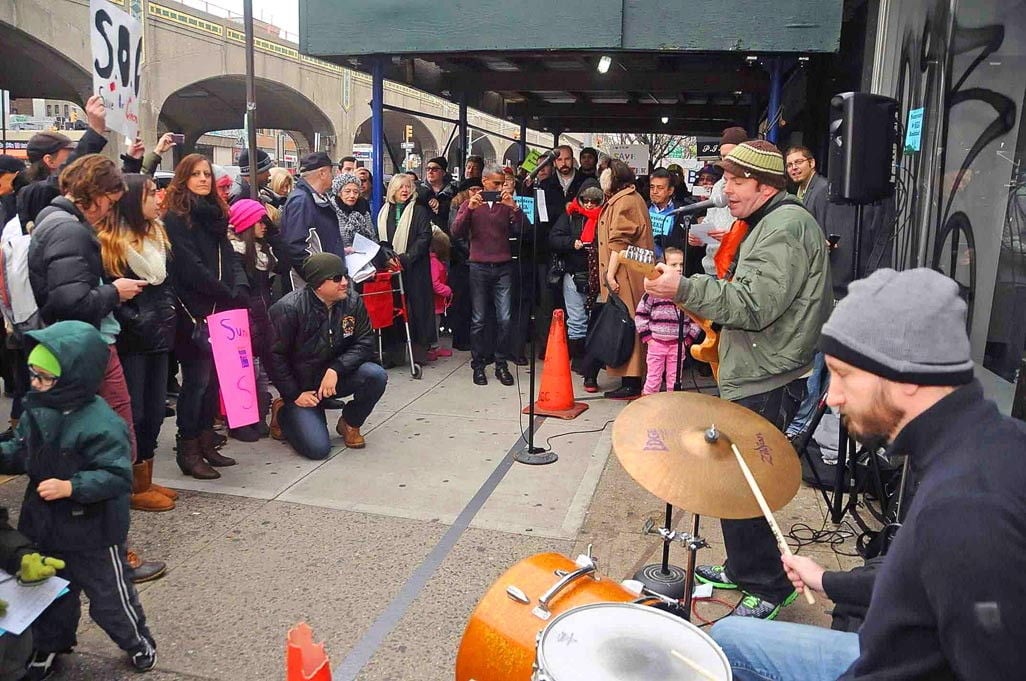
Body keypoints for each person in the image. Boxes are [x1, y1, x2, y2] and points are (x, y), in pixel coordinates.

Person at [710, 267, 1026, 680]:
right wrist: (827, 581)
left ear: (907, 377)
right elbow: (924, 584)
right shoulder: (993, 439)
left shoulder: (964, 512)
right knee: (730, 635)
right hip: (887, 646)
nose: (832, 396)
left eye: (843, 374)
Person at [644, 140, 832, 618]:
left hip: (768, 374)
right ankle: (746, 564)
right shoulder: (767, 222)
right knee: (734, 476)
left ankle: (769, 586)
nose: (726, 189)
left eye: (736, 180)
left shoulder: (785, 227)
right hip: (758, 365)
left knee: (745, 483)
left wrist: (683, 288)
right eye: (725, 179)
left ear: (768, 185)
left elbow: (754, 305)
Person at [1, 321, 156, 678]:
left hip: (94, 533)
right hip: (45, 525)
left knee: (110, 598)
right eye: (32, 375)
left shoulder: (102, 423)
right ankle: (49, 646)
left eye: (44, 377)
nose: (35, 384)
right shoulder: (36, 409)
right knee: (52, 596)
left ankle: (137, 641)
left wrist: (71, 486)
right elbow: (21, 450)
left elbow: (117, 475)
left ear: (73, 377)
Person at [163, 154, 249, 480]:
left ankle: (205, 439)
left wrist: (238, 285)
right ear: (184, 178)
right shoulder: (176, 217)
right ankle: (187, 447)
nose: (203, 179)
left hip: (220, 307)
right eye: (196, 174)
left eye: (207, 174)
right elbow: (188, 266)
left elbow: (227, 253)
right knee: (196, 381)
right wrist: (222, 290)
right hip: (193, 310)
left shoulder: (214, 214)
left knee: (214, 381)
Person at [97, 173, 178, 512]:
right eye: (149, 194)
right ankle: (130, 482)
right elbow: (115, 295)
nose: (158, 198)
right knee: (134, 412)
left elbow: (165, 283)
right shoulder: (111, 242)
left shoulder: (157, 234)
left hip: (159, 333)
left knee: (155, 410)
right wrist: (138, 320)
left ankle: (144, 475)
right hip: (131, 338)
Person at [267, 254, 387, 459]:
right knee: (318, 450)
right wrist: (294, 394)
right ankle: (282, 411)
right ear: (318, 284)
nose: (345, 283)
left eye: (345, 276)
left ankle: (350, 423)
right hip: (303, 388)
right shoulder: (288, 308)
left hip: (334, 379)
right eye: (337, 278)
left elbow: (365, 342)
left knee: (375, 375)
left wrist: (336, 369)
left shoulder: (352, 301)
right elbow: (274, 357)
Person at [450, 163, 525, 386]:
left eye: (503, 184)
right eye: (496, 183)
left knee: (505, 318)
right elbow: (456, 232)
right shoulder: (470, 203)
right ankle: (479, 364)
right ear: (484, 182)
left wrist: (515, 209)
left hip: (503, 265)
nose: (501, 188)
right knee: (479, 319)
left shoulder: (507, 204)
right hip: (479, 266)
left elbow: (523, 231)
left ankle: (501, 363)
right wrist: (470, 209)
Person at [596, 159, 654, 400]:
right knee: (628, 323)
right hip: (629, 271)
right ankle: (630, 379)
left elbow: (619, 243)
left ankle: (631, 381)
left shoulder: (625, 202)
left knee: (627, 324)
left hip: (625, 274)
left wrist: (609, 274)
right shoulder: (629, 198)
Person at [227, 199, 278, 442]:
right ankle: (241, 422)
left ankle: (258, 416)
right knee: (244, 371)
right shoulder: (235, 253)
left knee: (261, 373)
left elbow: (286, 260)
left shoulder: (262, 251)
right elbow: (240, 290)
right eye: (260, 220)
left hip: (261, 315)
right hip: (243, 318)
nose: (265, 225)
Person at [376, 174, 436, 359]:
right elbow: (380, 239)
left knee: (417, 308)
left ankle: (418, 351)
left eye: (408, 187)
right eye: (401, 187)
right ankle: (395, 352)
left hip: (414, 266)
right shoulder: (384, 210)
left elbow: (424, 237)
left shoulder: (419, 211)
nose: (405, 190)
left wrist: (406, 258)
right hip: (391, 268)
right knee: (393, 309)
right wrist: (387, 257)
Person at [549, 181, 604, 375]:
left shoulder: (606, 217)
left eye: (594, 201)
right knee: (577, 320)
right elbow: (553, 238)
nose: (589, 205)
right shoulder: (570, 215)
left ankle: (593, 360)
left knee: (595, 320)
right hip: (573, 274)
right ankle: (579, 360)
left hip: (599, 276)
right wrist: (572, 243)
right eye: (585, 200)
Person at [635, 247, 699, 395]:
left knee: (675, 380)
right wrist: (648, 337)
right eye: (674, 265)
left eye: (681, 265)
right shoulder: (653, 292)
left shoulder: (686, 291)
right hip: (656, 342)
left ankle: (673, 409)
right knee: (653, 379)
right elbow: (640, 314)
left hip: (678, 344)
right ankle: (649, 408)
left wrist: (689, 338)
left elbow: (696, 318)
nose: (679, 268)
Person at [695, 127, 748, 276]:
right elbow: (710, 219)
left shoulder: (751, 186)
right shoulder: (718, 185)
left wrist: (731, 237)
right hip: (712, 266)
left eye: (731, 155)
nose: (726, 161)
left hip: (735, 268)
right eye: (723, 156)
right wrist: (699, 235)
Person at [281, 152, 342, 282]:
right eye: (331, 172)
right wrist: (318, 279)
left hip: (323, 278)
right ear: (322, 173)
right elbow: (296, 247)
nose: (334, 176)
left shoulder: (314, 198)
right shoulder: (301, 201)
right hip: (313, 284)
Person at [330, 172, 375, 254]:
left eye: (355, 192)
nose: (352, 195)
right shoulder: (330, 212)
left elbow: (373, 237)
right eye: (347, 191)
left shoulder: (363, 212)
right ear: (339, 193)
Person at [428, 228, 453, 361]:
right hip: (434, 302)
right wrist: (448, 290)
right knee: (434, 324)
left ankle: (434, 347)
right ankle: (434, 347)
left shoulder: (432, 262)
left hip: (435, 302)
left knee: (435, 324)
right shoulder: (435, 264)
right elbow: (434, 284)